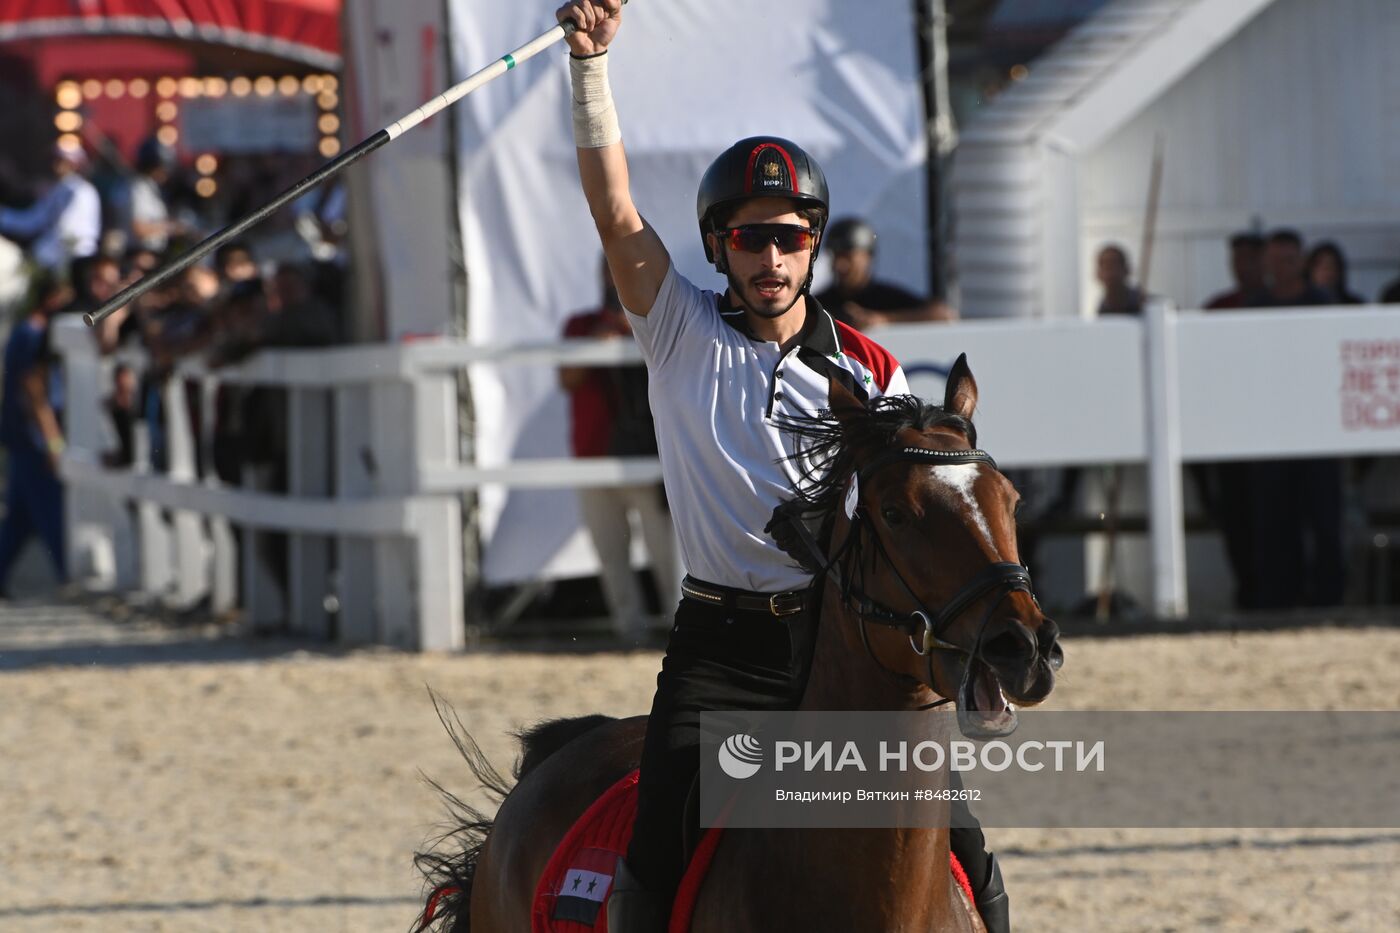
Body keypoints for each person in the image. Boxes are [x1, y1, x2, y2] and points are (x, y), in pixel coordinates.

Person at [553, 3, 1008, 932]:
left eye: (791, 235)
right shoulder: (679, 329)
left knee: (964, 841)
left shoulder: (870, 367)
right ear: (721, 244)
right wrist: (591, 70)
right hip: (720, 648)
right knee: (656, 851)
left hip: (840, 642)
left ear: (814, 244)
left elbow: (905, 508)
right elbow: (612, 209)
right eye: (751, 236)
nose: (771, 255)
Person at [560, 257, 680, 638]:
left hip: (643, 452)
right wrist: (599, 339)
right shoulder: (581, 325)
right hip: (593, 453)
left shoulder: (653, 322)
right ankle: (629, 632)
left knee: (665, 551)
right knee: (611, 553)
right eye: (608, 273)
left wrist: (634, 334)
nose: (613, 282)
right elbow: (568, 378)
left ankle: (680, 628)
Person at [1247, 230, 1344, 609]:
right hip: (1270, 433)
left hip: (1317, 432)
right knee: (1274, 525)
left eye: (1287, 259)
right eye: (1273, 260)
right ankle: (1277, 603)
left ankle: (1327, 602)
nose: (1279, 267)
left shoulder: (1322, 302)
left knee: (1324, 523)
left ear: (1300, 262)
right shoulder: (1256, 306)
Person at [0, 272, 71, 596]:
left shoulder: (26, 332)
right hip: (34, 440)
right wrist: (52, 441)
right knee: (52, 513)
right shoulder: (33, 335)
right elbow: (33, 392)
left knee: (20, 518)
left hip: (23, 438)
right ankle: (70, 578)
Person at [812, 217, 954, 329]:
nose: (840, 265)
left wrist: (883, 320)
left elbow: (943, 315)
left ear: (867, 257)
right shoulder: (819, 304)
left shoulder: (886, 298)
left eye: (848, 257)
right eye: (836, 256)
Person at [0, 138, 101, 274]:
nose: (55, 164)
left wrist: (38, 255)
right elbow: (31, 221)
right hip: (55, 259)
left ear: (74, 163)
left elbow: (67, 233)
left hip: (75, 263)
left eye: (61, 160)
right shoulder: (58, 189)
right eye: (55, 159)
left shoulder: (80, 191)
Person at [1204, 232, 1266, 309]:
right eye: (1238, 260)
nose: (1243, 267)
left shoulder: (1278, 305)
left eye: (1249, 259)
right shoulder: (1220, 306)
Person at [1305, 241, 1364, 305]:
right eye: (1321, 267)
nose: (1326, 272)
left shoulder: (1354, 305)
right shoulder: (1300, 305)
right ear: (1310, 270)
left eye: (1331, 266)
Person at [1094, 243, 1144, 315]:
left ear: (1127, 270)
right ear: (1098, 274)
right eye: (1105, 267)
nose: (1109, 273)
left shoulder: (1145, 304)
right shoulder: (1103, 307)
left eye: (1113, 265)